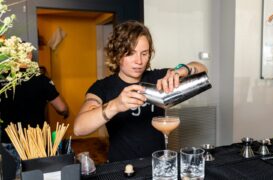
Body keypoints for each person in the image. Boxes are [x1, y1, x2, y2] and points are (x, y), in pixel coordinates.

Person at [73, 20, 208, 162]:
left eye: (144, 53)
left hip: (158, 163)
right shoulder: (102, 87)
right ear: (117, 54)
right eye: (130, 53)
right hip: (122, 166)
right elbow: (79, 128)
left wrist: (182, 70)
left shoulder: (157, 78)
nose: (139, 61)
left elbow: (202, 69)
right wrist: (116, 105)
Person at [0, 71, 69, 172]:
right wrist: (66, 113)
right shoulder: (41, 80)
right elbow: (62, 108)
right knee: (36, 174)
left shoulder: (2, 80)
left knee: (10, 173)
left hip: (7, 140)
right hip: (36, 141)